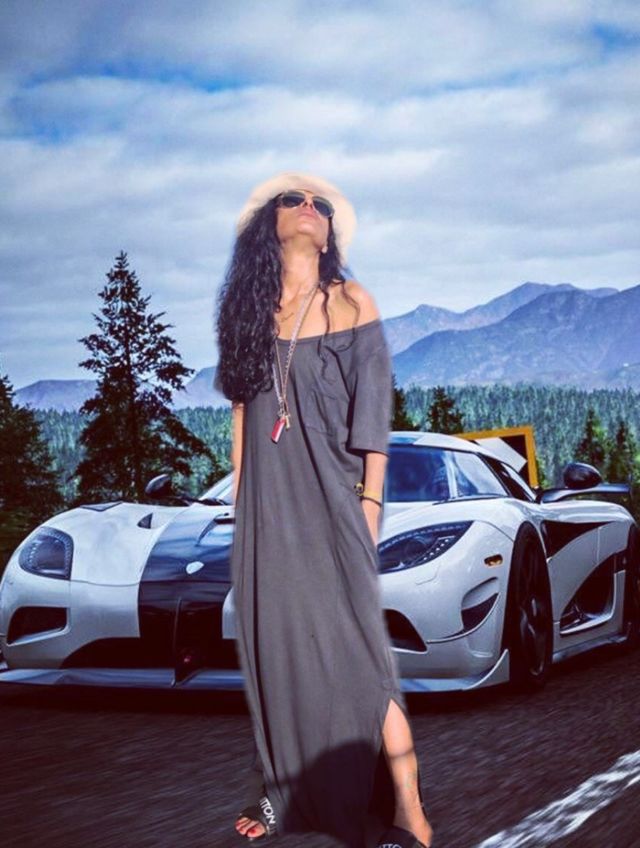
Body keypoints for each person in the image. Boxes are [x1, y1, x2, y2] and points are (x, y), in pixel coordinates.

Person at [214, 172, 434, 848]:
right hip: (266, 513)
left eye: (322, 204)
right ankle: (283, 790)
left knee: (359, 659)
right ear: (268, 226)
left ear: (331, 231)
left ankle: (409, 807)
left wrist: (371, 499)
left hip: (335, 502)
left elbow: (372, 410)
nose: (310, 207)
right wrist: (241, 507)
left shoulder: (350, 302)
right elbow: (243, 417)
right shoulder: (247, 317)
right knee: (277, 654)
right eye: (294, 199)